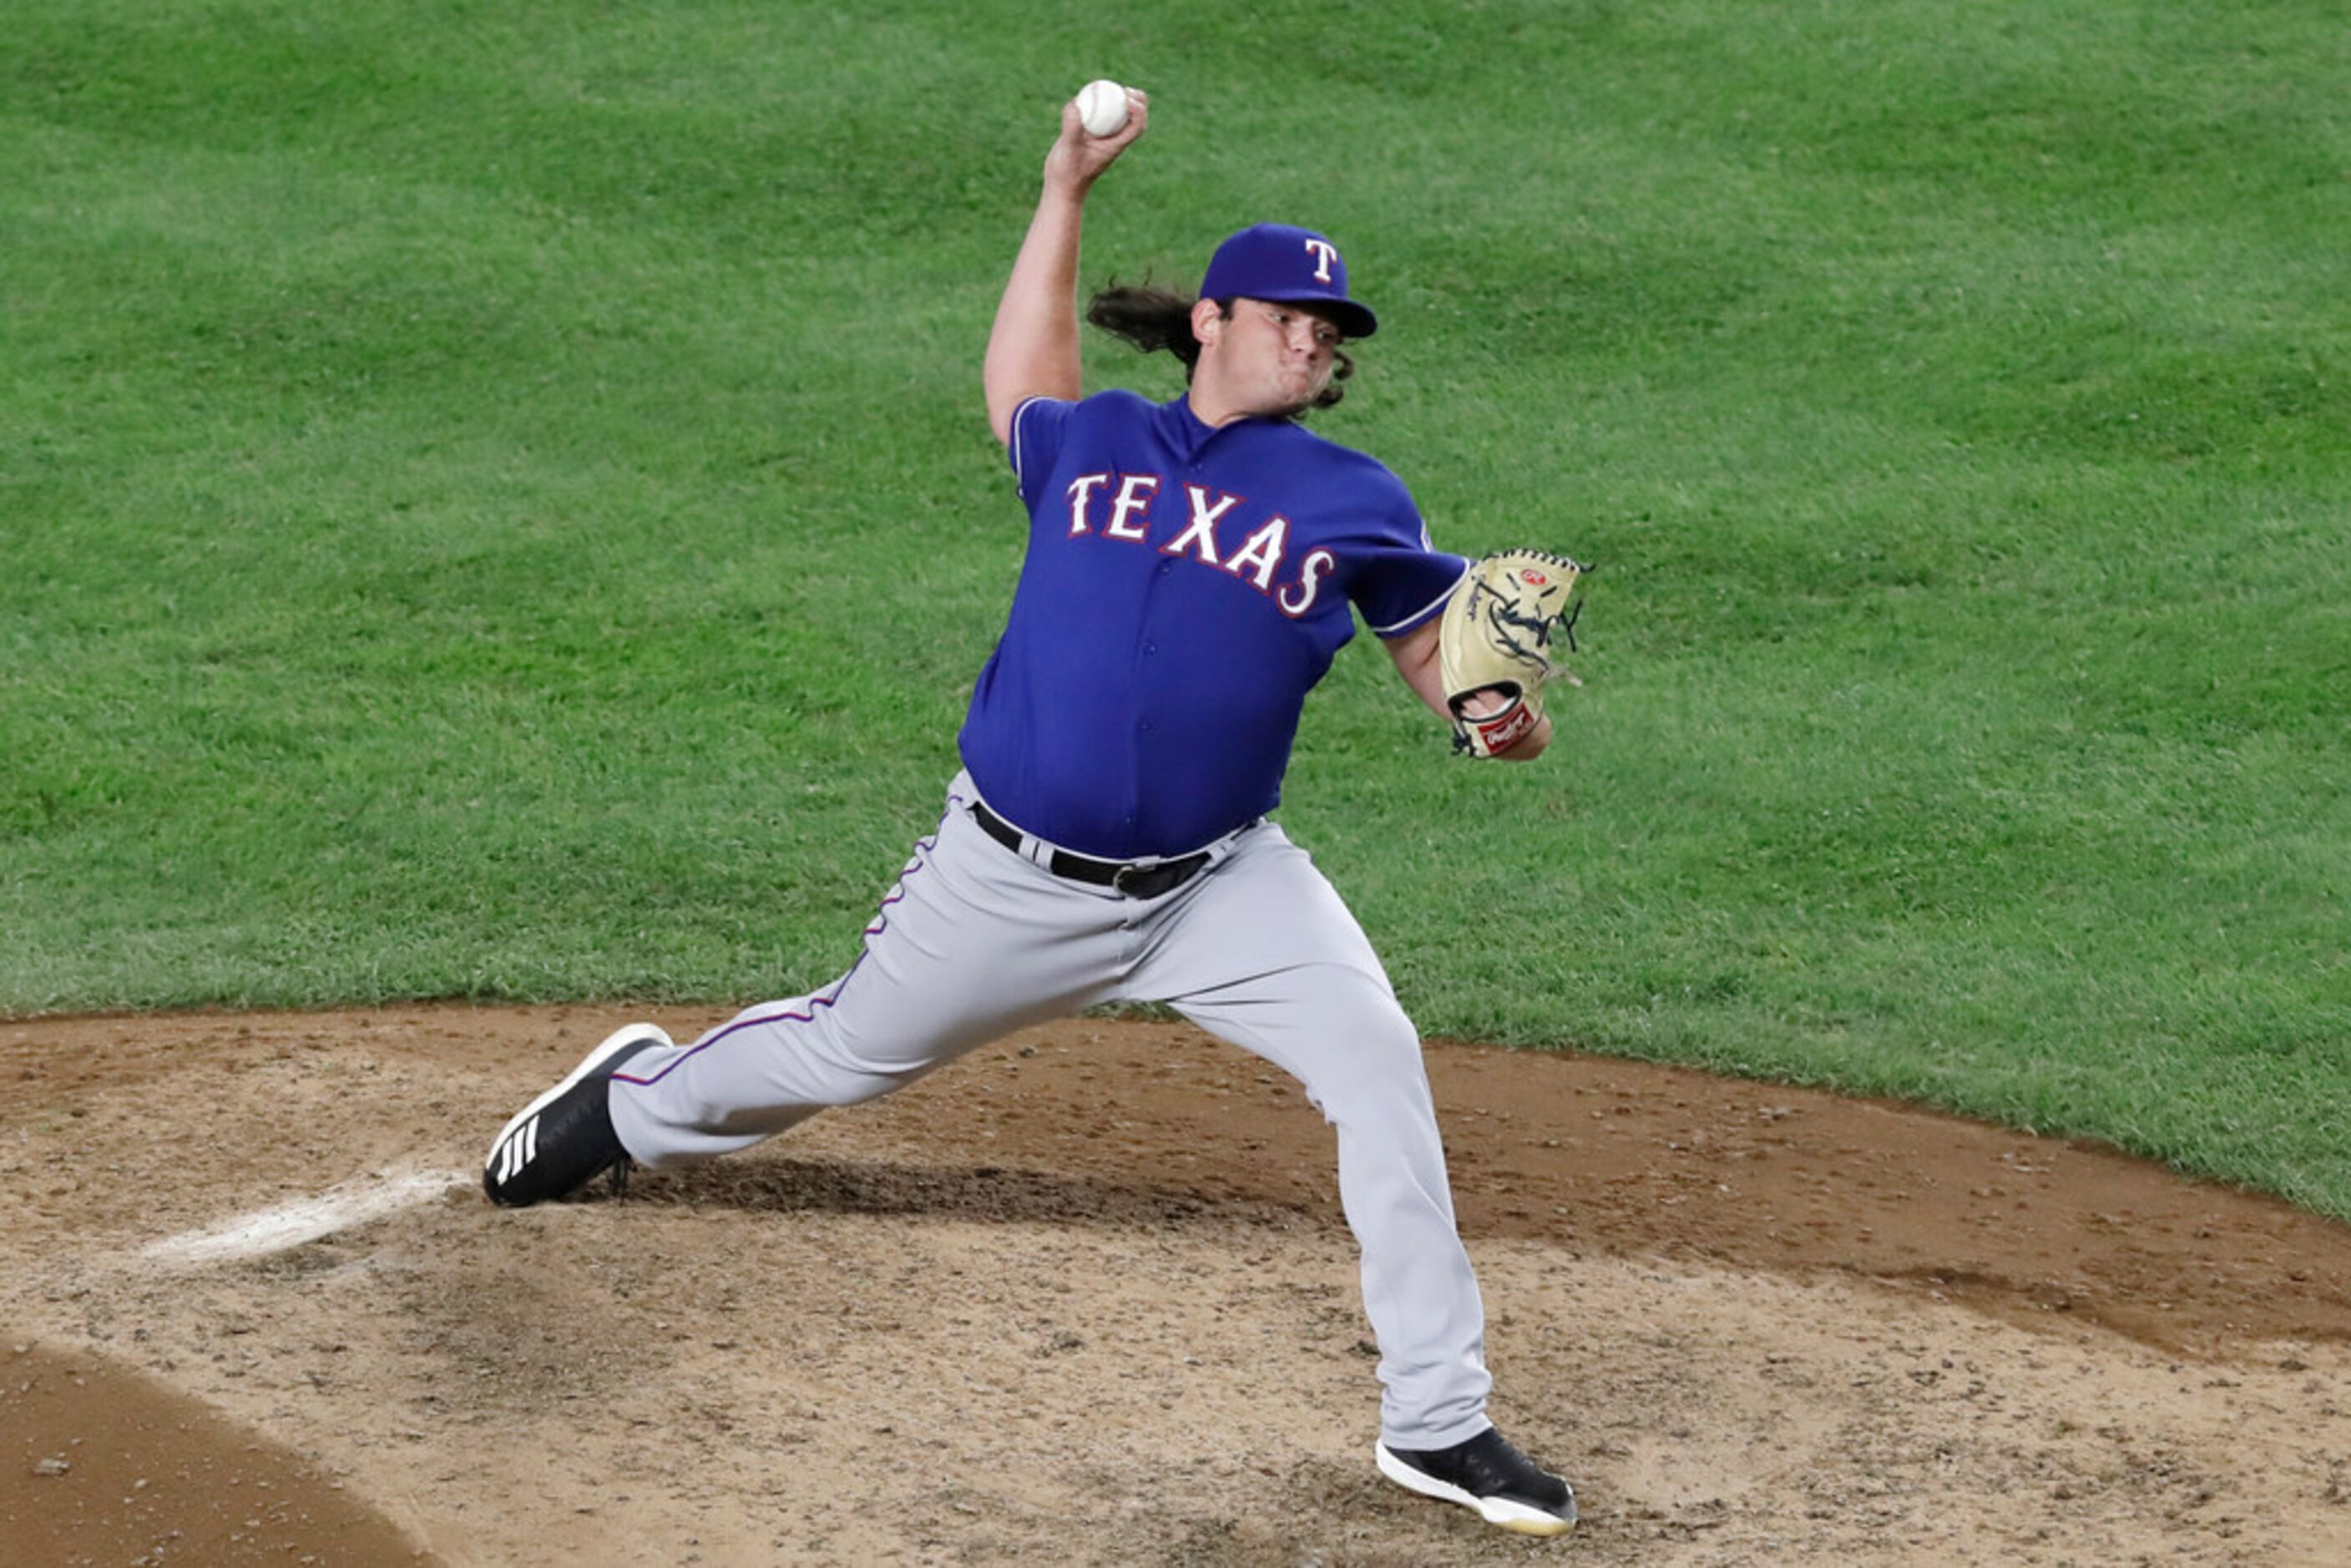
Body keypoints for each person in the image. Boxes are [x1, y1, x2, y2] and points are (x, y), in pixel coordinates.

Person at [483, 87, 1577, 1537]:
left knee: (1377, 1061)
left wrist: (1498, 718)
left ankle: (1438, 1421)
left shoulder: (1356, 499)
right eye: (1288, 314)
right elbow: (1017, 368)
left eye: (1334, 330)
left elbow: (1455, 685)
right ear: (1211, 320)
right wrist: (1064, 187)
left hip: (1220, 888)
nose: (1315, 338)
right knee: (840, 1054)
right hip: (1007, 878)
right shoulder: (1096, 441)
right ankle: (627, 1103)